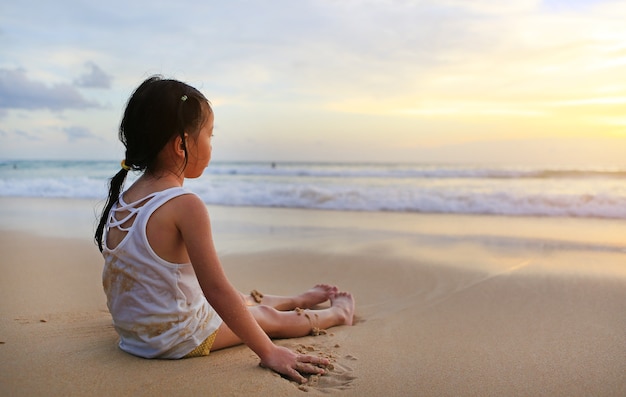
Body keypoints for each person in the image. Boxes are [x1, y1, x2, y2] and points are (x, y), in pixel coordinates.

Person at [94, 76, 355, 384]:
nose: (211, 144)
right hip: (174, 339)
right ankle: (338, 315)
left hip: (134, 334)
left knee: (239, 299)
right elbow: (216, 291)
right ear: (181, 145)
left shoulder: (124, 199)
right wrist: (268, 352)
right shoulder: (185, 205)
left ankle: (295, 298)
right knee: (263, 318)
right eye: (209, 135)